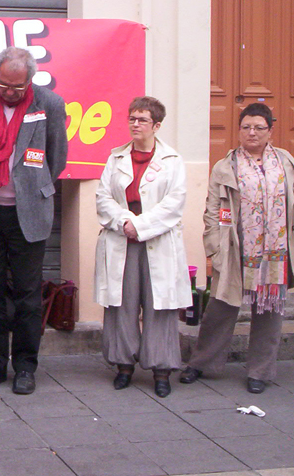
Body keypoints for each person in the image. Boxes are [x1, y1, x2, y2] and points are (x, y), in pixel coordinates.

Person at [180, 103, 294, 394]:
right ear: (239, 130)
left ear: (270, 131)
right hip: (236, 251)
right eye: (246, 127)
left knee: (270, 312)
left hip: (276, 254)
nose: (252, 133)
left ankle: (260, 371)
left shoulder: (285, 162)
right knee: (219, 309)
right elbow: (214, 211)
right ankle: (201, 363)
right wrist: (214, 247)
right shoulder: (226, 166)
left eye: (259, 127)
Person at [0, 46, 68, 395]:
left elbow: (56, 158)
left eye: (17, 88)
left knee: (26, 294)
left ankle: (25, 366)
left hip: (29, 212)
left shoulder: (49, 105)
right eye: (3, 84)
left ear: (30, 81)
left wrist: (28, 187)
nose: (9, 92)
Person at [94, 96, 190, 398]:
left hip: (157, 239)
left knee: (159, 305)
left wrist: (142, 225)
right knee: (121, 303)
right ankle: (123, 366)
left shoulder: (172, 161)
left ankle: (161, 369)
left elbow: (175, 204)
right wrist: (124, 222)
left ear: (157, 125)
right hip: (122, 236)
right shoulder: (116, 158)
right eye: (132, 119)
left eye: (143, 120)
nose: (135, 125)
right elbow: (103, 197)